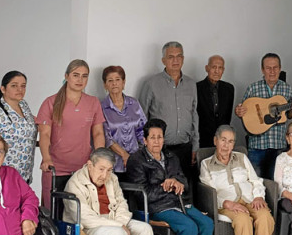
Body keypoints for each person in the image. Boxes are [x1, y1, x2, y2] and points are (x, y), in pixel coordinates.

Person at [126, 119, 213, 235]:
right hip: (154, 207)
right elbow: (142, 193)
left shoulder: (172, 157)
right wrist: (165, 186)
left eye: (160, 137)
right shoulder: (136, 160)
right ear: (145, 140)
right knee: (188, 227)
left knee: (206, 223)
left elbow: (184, 182)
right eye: (153, 137)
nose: (157, 141)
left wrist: (178, 183)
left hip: (179, 203)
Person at [199, 125, 275, 235]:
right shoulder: (206, 164)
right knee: (242, 220)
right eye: (223, 140)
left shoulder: (241, 157)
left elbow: (255, 180)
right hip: (227, 204)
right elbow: (208, 189)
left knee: (264, 217)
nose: (226, 146)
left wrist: (259, 196)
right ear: (215, 140)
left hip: (249, 199)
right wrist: (227, 203)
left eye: (231, 142)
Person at [37, 59, 106, 209]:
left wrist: (99, 159)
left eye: (84, 76)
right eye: (76, 75)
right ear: (66, 76)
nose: (80, 80)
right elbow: (44, 135)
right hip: (56, 168)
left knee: (80, 216)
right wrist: (46, 159)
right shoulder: (50, 102)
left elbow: (98, 133)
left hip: (83, 169)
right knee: (55, 214)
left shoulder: (93, 102)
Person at [140, 41, 199, 187]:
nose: (175, 60)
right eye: (171, 57)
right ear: (163, 60)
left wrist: (195, 146)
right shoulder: (151, 84)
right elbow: (142, 118)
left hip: (185, 148)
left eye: (179, 56)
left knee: (183, 189)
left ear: (183, 59)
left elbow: (194, 116)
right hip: (159, 149)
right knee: (161, 189)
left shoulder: (191, 85)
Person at [234, 53, 292, 179]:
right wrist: (239, 111)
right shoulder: (253, 88)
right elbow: (243, 111)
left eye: (275, 67)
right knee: (255, 183)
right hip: (257, 145)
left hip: (279, 145)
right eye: (268, 68)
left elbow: (289, 115)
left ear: (280, 69)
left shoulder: (286, 89)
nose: (272, 71)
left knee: (276, 184)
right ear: (262, 69)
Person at [0, 71, 37, 183]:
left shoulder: (24, 106)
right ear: (3, 89)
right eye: (14, 85)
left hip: (24, 174)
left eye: (23, 86)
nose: (19, 89)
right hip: (2, 175)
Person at [100, 65, 147, 174]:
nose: (114, 83)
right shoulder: (101, 107)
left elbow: (143, 130)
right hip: (112, 163)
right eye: (110, 80)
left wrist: (140, 155)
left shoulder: (134, 103)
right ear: (105, 85)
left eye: (117, 79)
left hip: (137, 161)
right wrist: (125, 155)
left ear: (123, 82)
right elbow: (106, 137)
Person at [197, 55, 235, 149]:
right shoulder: (197, 88)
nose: (217, 71)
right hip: (203, 139)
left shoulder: (229, 88)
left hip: (224, 140)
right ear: (207, 68)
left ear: (223, 70)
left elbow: (227, 116)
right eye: (214, 67)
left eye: (220, 68)